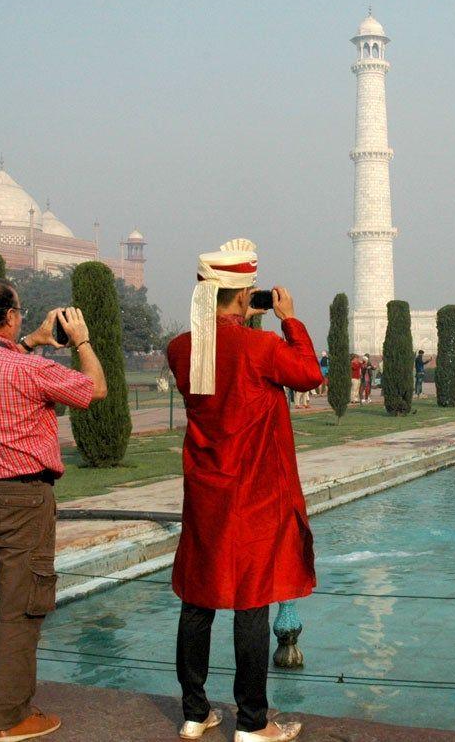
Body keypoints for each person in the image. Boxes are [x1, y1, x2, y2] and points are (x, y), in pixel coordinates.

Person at [166, 239, 319, 742]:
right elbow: (309, 374)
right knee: (250, 604)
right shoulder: (259, 348)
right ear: (240, 298)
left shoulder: (181, 349)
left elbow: (210, 357)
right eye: (250, 293)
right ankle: (252, 722)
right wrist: (288, 319)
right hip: (252, 495)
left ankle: (194, 712)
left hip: (207, 494)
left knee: (198, 601)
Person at [0, 280, 107, 742]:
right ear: (11, 315)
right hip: (22, 501)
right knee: (19, 612)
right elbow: (95, 389)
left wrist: (33, 339)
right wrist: (82, 341)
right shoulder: (26, 372)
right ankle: (11, 718)